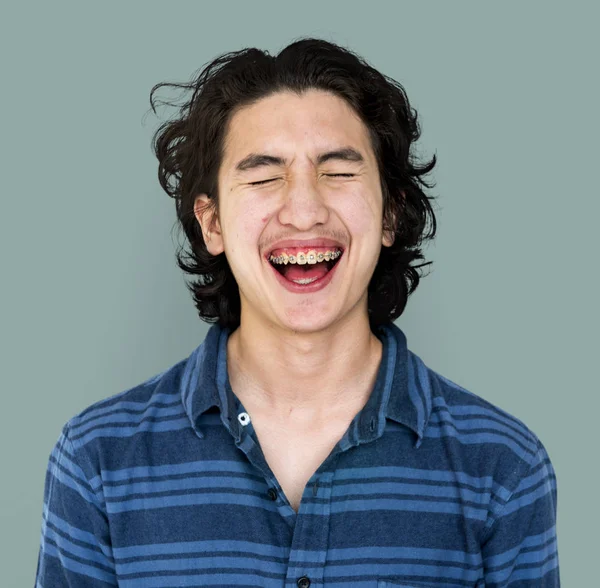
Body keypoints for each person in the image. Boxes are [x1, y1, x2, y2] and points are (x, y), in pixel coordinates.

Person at [35, 38, 560, 587]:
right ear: (211, 223)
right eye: (264, 176)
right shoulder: (96, 462)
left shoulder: (504, 468)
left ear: (389, 214)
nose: (304, 210)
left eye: (337, 171)